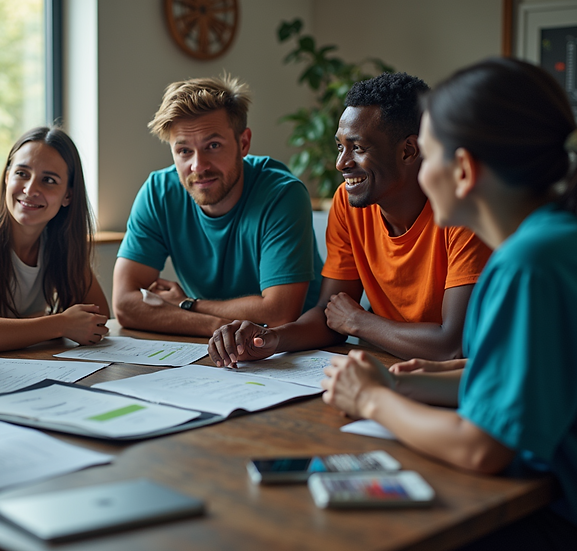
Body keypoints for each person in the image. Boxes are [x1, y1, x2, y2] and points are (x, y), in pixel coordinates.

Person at [321, 58, 577, 548]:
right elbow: (532, 376)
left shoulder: (529, 264)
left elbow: (482, 450)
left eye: (427, 155)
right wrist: (402, 381)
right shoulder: (561, 242)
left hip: (574, 518)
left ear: (463, 170)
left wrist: (372, 399)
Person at [208, 73, 493, 366]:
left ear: (408, 151)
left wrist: (359, 321)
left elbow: (453, 346)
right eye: (340, 147)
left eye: (358, 148)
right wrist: (272, 339)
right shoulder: (348, 202)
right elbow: (330, 314)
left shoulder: (461, 211)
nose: (341, 163)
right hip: (393, 366)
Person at [113, 75, 323, 337]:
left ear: (243, 143)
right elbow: (125, 305)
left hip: (300, 350)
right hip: (220, 345)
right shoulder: (159, 192)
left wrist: (187, 304)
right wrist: (215, 327)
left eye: (213, 145)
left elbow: (279, 313)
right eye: (184, 151)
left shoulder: (282, 194)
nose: (198, 166)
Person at [0, 127, 110, 354]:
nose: (30, 189)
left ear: (68, 196)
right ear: (7, 177)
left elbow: (99, 318)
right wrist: (61, 323)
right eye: (22, 174)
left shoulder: (58, 239)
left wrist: (44, 323)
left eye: (49, 180)